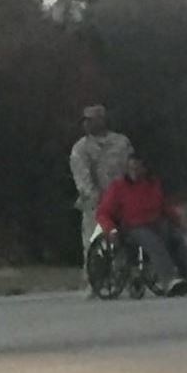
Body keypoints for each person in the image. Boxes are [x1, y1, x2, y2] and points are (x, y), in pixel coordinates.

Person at [97, 154, 187, 297]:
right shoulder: (118, 188)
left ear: (144, 169)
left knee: (176, 239)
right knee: (153, 242)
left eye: (137, 168)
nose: (134, 171)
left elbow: (164, 206)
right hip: (132, 227)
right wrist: (110, 230)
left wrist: (177, 222)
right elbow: (103, 212)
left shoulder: (152, 184)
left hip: (155, 223)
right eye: (131, 168)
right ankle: (170, 280)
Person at [69, 104, 133, 294]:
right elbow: (82, 177)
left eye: (92, 120)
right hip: (95, 204)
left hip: (122, 200)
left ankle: (126, 278)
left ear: (102, 120)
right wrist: (94, 196)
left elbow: (130, 167)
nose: (87, 124)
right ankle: (94, 282)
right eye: (85, 121)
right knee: (92, 242)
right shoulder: (81, 148)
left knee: (124, 239)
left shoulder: (121, 143)